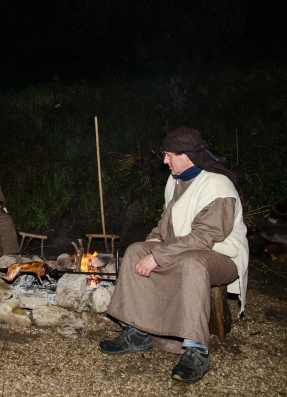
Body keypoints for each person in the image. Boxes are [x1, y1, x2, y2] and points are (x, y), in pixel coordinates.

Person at [98, 127, 248, 384]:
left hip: (220, 256)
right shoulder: (177, 180)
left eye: (168, 155)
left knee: (191, 263)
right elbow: (168, 219)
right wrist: (155, 238)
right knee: (135, 251)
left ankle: (196, 349)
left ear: (186, 156)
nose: (164, 161)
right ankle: (138, 332)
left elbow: (204, 238)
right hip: (182, 249)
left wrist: (159, 256)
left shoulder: (216, 186)